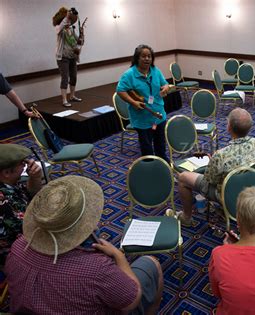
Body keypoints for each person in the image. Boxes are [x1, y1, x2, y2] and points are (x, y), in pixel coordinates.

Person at [5, 175, 164, 314]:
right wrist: (119, 256)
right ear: (84, 224)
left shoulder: (18, 246)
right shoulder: (97, 269)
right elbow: (132, 300)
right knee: (152, 264)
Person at [177, 108, 255, 226]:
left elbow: (210, 181)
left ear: (228, 127)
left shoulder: (221, 155)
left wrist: (212, 162)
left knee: (183, 177)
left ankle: (186, 218)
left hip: (229, 196)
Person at [117, 44, 170, 160]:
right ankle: (149, 166)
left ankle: (162, 162)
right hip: (143, 118)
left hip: (158, 115)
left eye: (149, 56)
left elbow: (164, 83)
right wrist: (133, 102)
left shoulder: (155, 71)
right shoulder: (129, 74)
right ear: (137, 58)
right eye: (143, 56)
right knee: (147, 148)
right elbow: (120, 91)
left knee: (160, 144)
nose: (147, 59)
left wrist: (166, 87)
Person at [0, 144, 42, 266]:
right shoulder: (5, 203)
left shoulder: (8, 184)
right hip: (17, 255)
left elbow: (31, 196)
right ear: (7, 172)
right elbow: (31, 232)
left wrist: (35, 178)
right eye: (21, 163)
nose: (25, 165)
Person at [53, 7, 85, 107]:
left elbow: (80, 42)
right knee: (65, 78)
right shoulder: (59, 28)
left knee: (74, 77)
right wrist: (67, 16)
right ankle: (64, 100)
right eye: (68, 19)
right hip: (63, 57)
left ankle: (72, 96)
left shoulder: (71, 29)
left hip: (72, 56)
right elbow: (60, 27)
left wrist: (82, 33)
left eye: (70, 20)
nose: (69, 21)